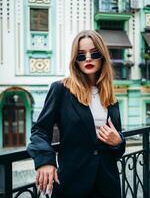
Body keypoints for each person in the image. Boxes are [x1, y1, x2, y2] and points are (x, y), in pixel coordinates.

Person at [27, 30, 126, 198]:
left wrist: (118, 141)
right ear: (75, 60)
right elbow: (40, 131)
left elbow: (116, 145)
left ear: (102, 56)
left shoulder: (110, 97)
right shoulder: (61, 90)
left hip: (107, 184)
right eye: (81, 55)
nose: (88, 58)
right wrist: (45, 161)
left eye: (94, 53)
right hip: (73, 184)